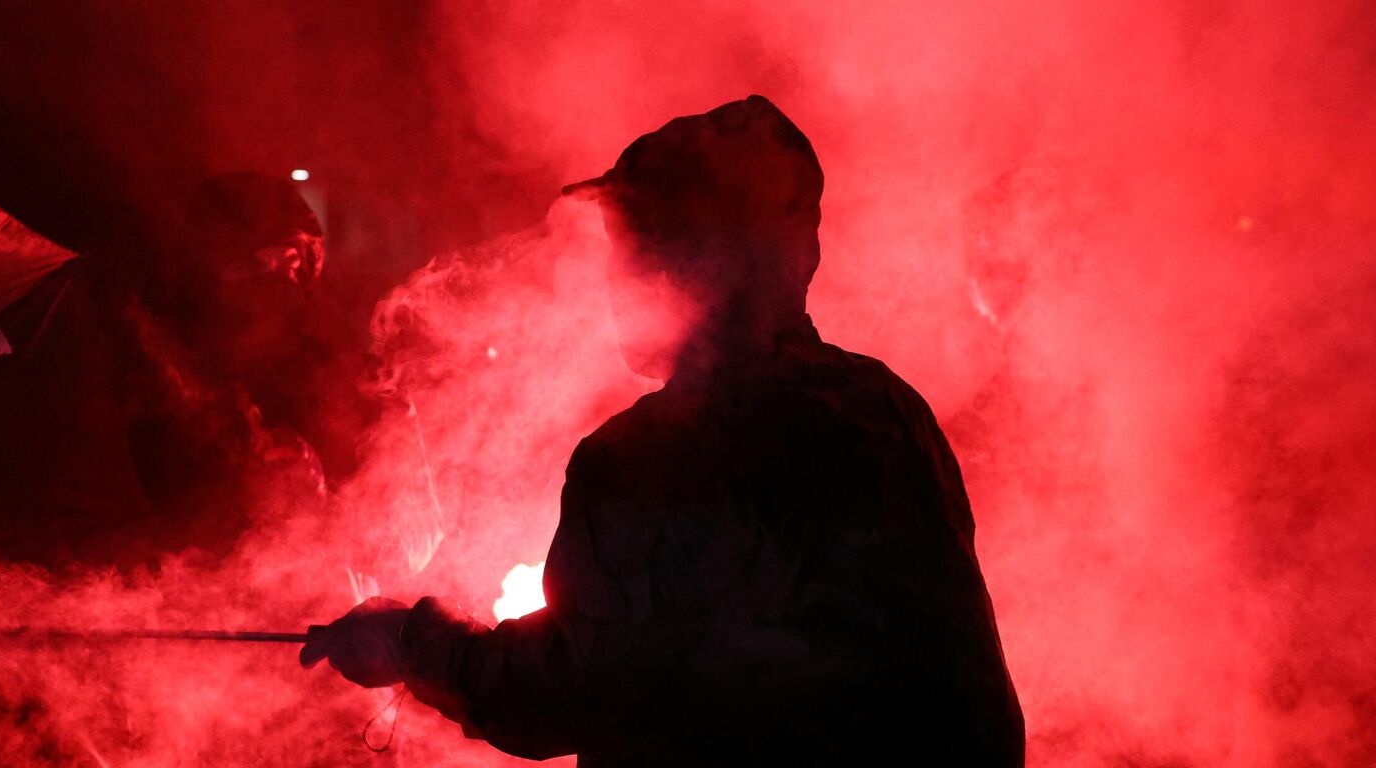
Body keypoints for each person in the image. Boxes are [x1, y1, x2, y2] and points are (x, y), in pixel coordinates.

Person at [302, 95, 1024, 766]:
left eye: (631, 244)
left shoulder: (655, 455)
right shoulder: (888, 408)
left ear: (688, 264)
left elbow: (569, 690)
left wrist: (409, 640)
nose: (614, 275)